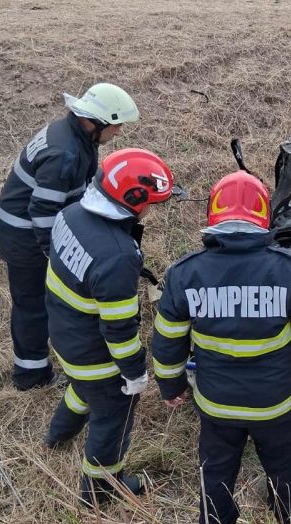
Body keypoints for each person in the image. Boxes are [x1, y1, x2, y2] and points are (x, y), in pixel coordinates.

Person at [152, 171, 291, 524]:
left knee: (216, 474)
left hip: (217, 407)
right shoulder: (290, 270)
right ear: (263, 216)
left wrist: (171, 385)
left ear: (213, 214)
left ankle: (215, 523)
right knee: (286, 471)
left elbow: (167, 340)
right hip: (277, 405)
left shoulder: (185, 274)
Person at [42, 148, 173, 505]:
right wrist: (134, 373)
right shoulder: (117, 257)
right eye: (150, 204)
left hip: (63, 334)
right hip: (93, 355)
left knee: (83, 388)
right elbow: (119, 329)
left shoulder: (70, 214)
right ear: (133, 200)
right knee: (114, 412)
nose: (150, 211)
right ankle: (100, 489)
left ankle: (56, 436)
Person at [0, 82, 139, 390]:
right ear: (96, 122)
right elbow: (42, 211)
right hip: (23, 236)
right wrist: (56, 253)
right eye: (116, 125)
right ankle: (31, 376)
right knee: (33, 304)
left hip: (27, 227)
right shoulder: (65, 153)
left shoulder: (74, 136)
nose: (119, 132)